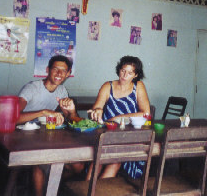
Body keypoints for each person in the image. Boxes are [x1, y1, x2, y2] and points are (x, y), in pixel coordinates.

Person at [17, 55, 82, 196]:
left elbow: (73, 119)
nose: (59, 74)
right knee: (41, 163)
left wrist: (72, 110)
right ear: (47, 70)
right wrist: (42, 112)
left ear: (68, 74)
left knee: (78, 166)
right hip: (24, 135)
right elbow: (13, 118)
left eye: (63, 70)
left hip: (46, 136)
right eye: (55, 69)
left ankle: (49, 184)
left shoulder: (62, 91)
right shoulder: (32, 88)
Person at [87, 56, 151, 180]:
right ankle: (85, 190)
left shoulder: (138, 86)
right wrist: (97, 111)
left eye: (130, 73)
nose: (124, 75)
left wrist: (117, 118)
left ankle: (98, 191)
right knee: (98, 159)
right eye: (123, 70)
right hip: (107, 134)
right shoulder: (107, 86)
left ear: (136, 75)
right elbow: (95, 110)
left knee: (115, 160)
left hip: (129, 136)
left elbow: (145, 113)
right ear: (119, 70)